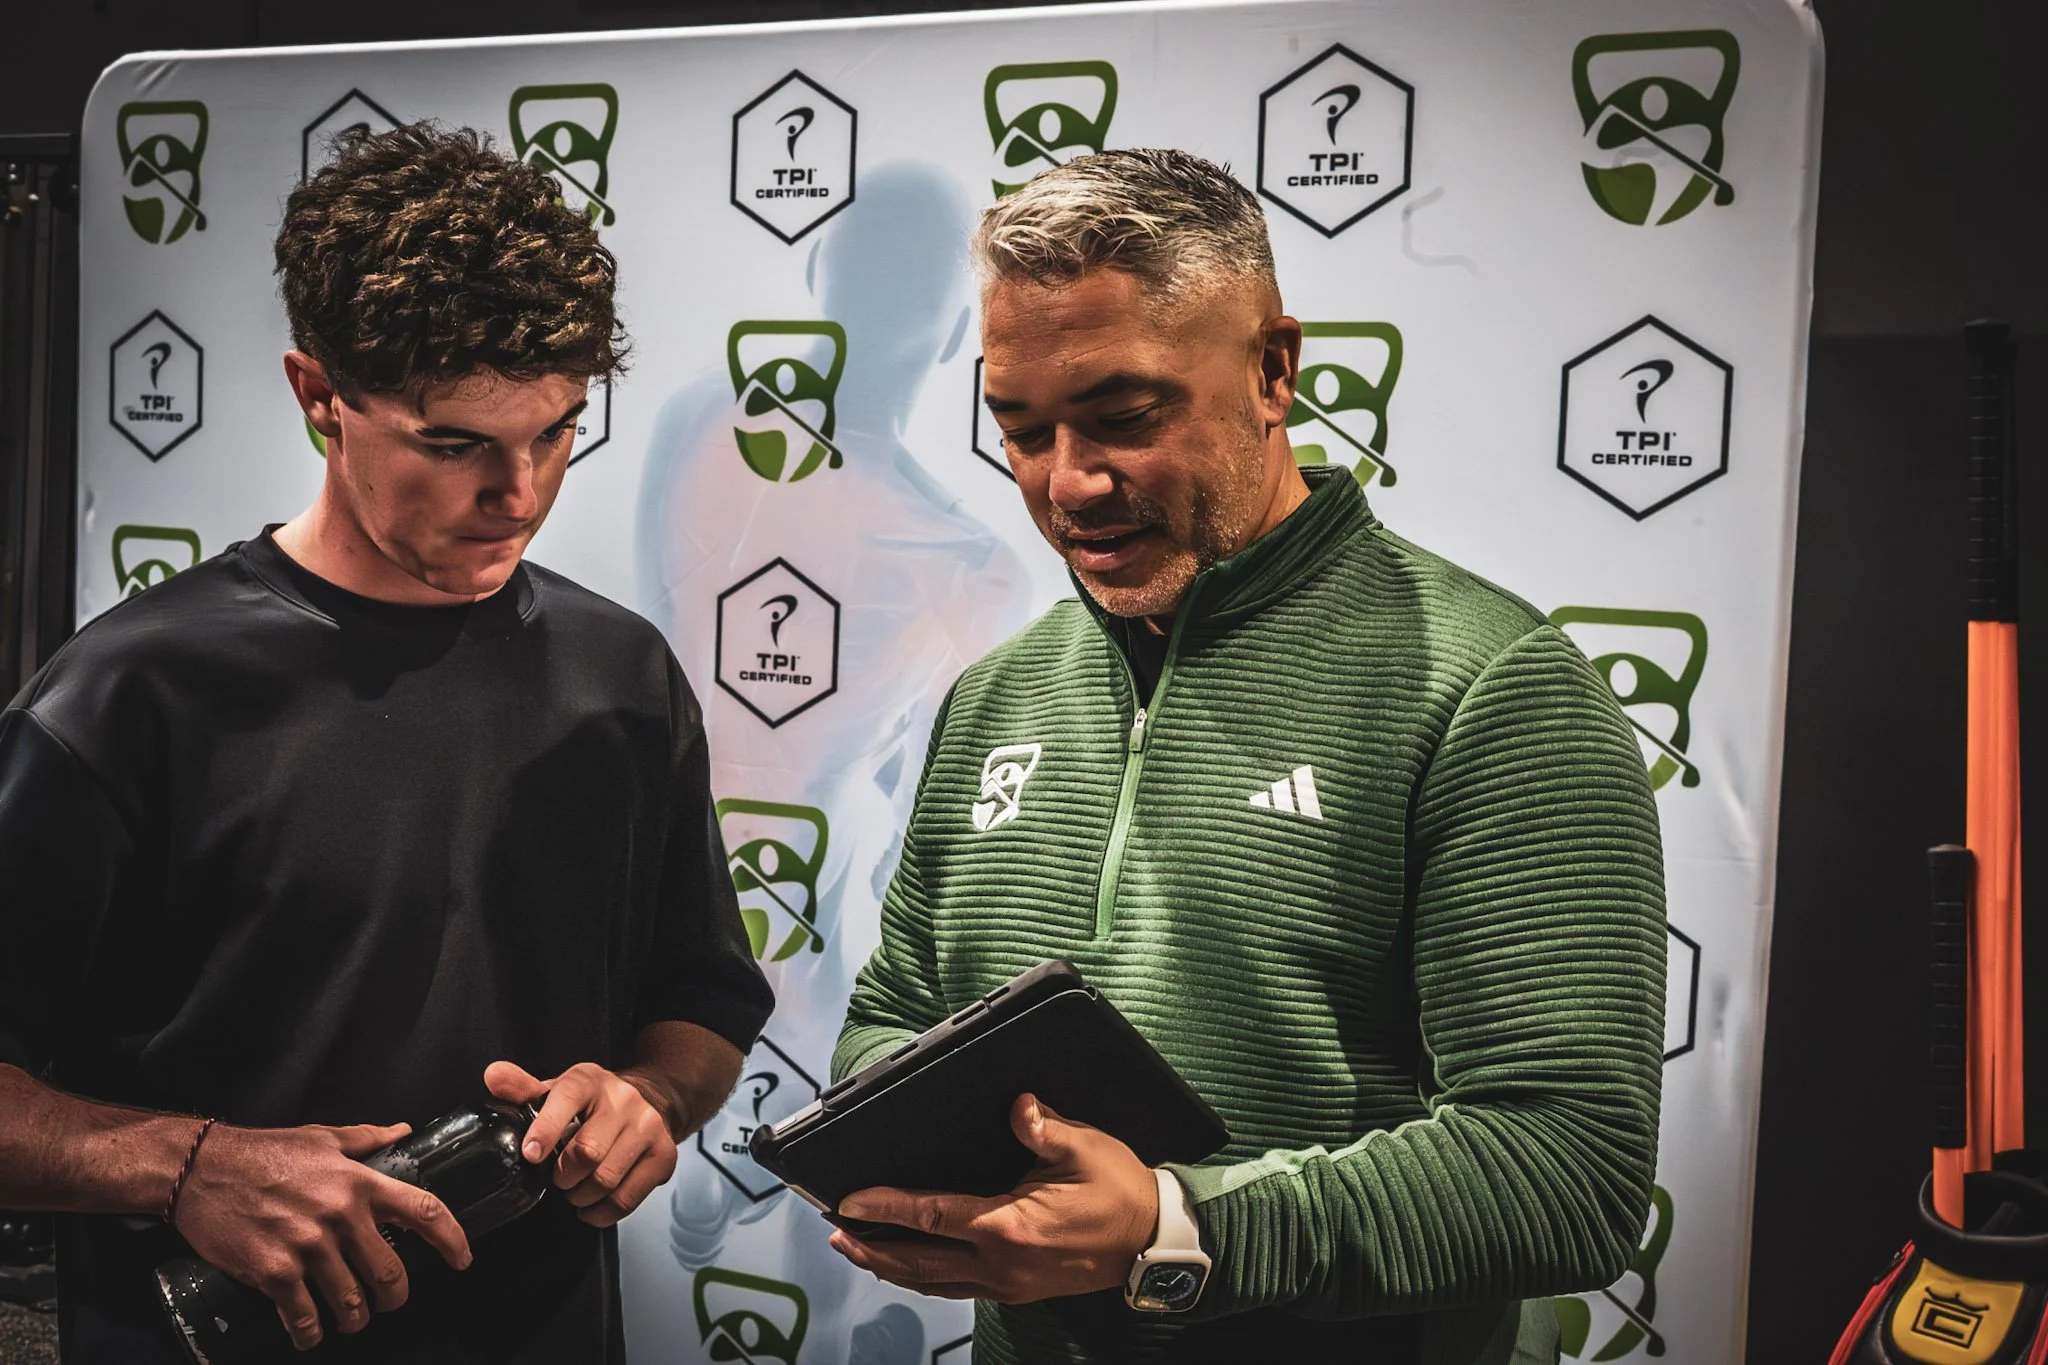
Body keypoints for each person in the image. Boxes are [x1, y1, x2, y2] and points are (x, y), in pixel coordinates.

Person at [826, 148, 1667, 1364]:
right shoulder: (993, 694)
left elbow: (1565, 1169)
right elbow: (890, 1020)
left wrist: (1172, 1230)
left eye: (1124, 418)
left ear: (1274, 371)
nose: (1068, 483)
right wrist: (931, 1142)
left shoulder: (1492, 689)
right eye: (1019, 429)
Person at [0, 124, 773, 1363]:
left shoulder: (619, 675)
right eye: (455, 443)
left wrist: (645, 1099)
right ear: (320, 397)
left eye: (558, 432)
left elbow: (698, 1006)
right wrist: (189, 1166)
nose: (517, 494)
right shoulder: (134, 692)